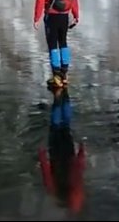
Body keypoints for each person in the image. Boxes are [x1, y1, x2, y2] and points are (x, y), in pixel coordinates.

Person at [38, 86, 86, 214]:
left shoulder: (75, 186)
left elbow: (79, 167)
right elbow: (46, 172)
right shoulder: (54, 190)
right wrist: (42, 154)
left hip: (68, 152)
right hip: (56, 154)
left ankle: (64, 93)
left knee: (65, 125)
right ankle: (58, 95)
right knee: (56, 126)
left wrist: (81, 150)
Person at [33, 0, 80, 88]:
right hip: (64, 15)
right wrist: (76, 15)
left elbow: (40, 0)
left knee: (53, 45)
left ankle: (56, 76)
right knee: (63, 42)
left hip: (52, 16)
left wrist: (36, 18)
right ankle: (64, 75)